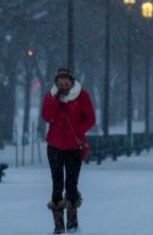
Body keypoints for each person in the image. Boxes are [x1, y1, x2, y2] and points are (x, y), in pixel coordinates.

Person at [42, 67, 95, 234]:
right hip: (55, 146)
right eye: (60, 82)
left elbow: (90, 119)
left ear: (72, 82)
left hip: (74, 146)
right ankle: (58, 225)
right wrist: (55, 101)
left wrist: (78, 131)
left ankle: (72, 223)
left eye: (66, 82)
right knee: (56, 184)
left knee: (71, 184)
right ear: (56, 83)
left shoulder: (82, 95)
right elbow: (46, 116)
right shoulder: (51, 96)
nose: (63, 85)